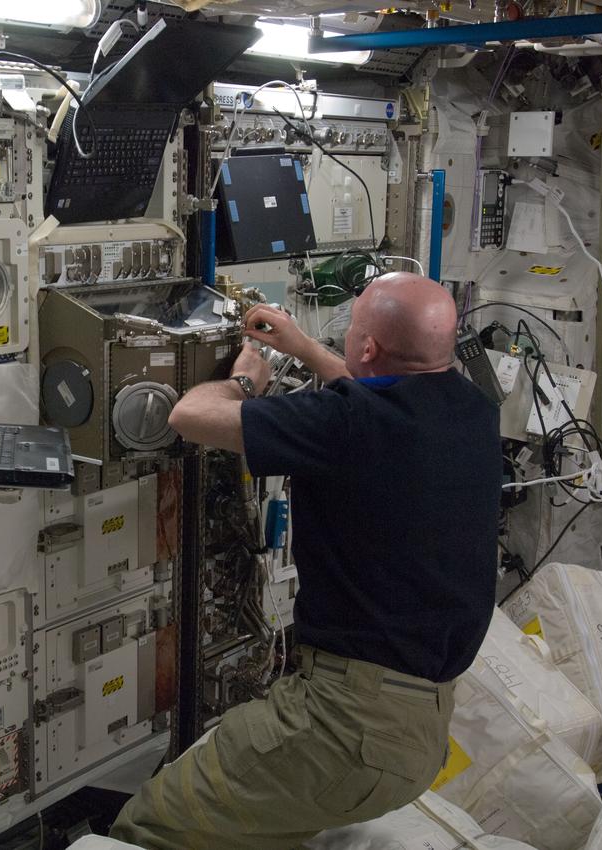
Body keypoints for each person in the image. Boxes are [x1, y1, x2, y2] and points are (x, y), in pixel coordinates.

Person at [109, 273, 502, 850]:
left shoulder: (345, 424)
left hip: (343, 729)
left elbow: (188, 417)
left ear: (367, 347)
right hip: (418, 735)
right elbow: (378, 394)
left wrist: (244, 379)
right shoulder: (471, 408)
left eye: (354, 328)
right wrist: (303, 348)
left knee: (152, 827)